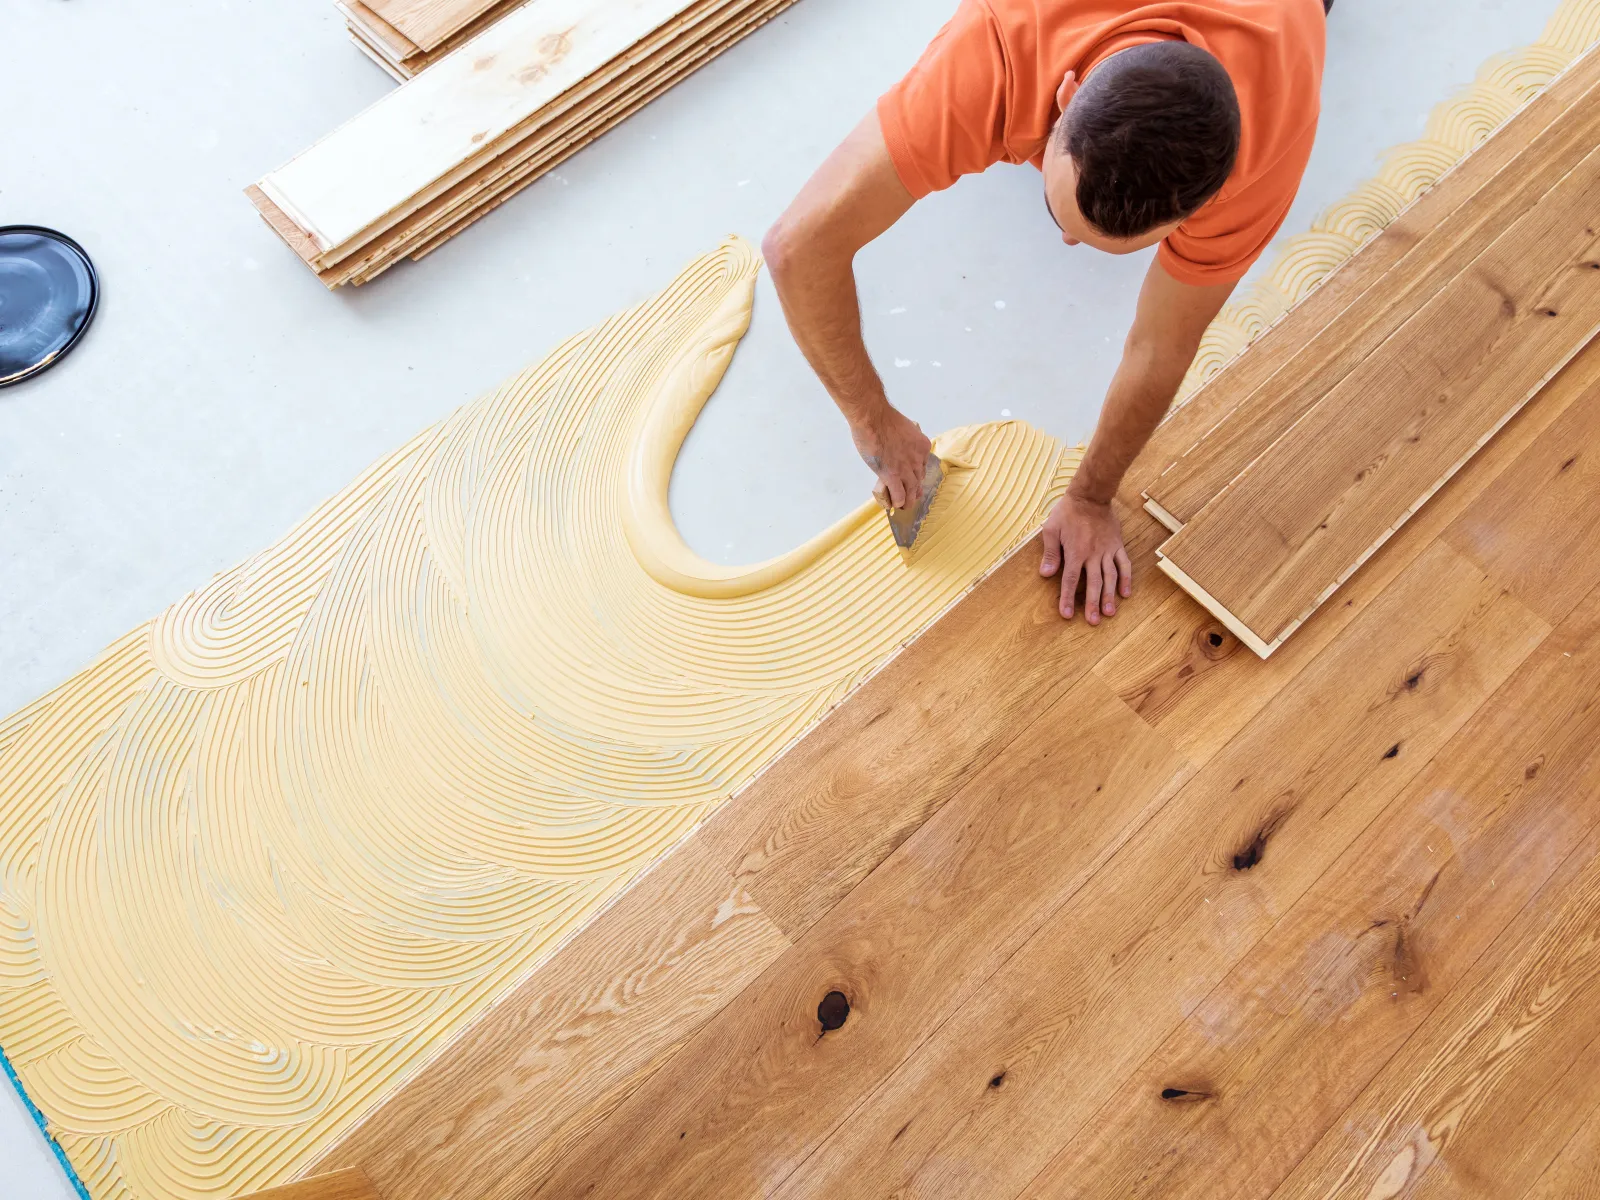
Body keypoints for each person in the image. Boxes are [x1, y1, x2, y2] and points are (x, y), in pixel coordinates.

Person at [762, 0, 1328, 624]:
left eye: (1095, 244)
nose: (1063, 243)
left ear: (1203, 208)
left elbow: (1160, 347)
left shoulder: (1266, 157)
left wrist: (1091, 497)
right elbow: (796, 249)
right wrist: (872, 422)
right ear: (1065, 92)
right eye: (1062, 217)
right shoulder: (1001, 49)